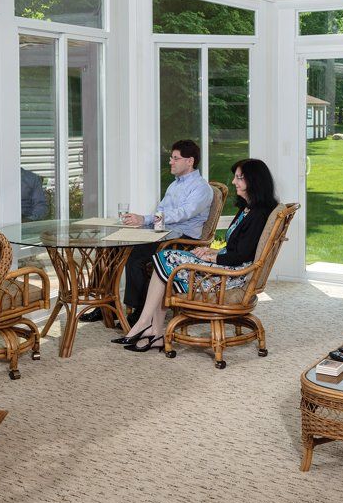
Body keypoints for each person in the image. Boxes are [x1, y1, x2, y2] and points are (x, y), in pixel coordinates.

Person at [114, 158, 278, 353]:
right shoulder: (247, 209)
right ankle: (153, 331)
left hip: (230, 276)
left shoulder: (258, 214)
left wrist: (213, 258)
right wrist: (212, 251)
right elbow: (239, 248)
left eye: (239, 178)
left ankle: (145, 325)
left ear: (254, 181)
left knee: (166, 259)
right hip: (226, 265)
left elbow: (241, 256)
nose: (234, 182)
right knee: (165, 262)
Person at [104, 139, 213, 326]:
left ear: (190, 161)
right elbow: (161, 212)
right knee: (113, 248)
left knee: (135, 255)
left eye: (175, 158)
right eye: (171, 158)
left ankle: (140, 313)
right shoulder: (174, 185)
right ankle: (106, 307)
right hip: (163, 233)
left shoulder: (201, 188)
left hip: (182, 240)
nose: (171, 161)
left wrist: (145, 219)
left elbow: (182, 213)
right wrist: (141, 224)